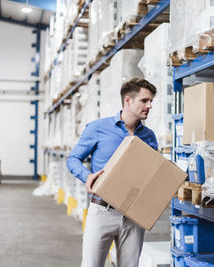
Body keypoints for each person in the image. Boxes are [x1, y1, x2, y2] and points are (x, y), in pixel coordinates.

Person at [66, 78, 158, 267]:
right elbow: (72, 159)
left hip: (134, 215)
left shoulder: (149, 136)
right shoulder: (98, 128)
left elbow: (152, 174)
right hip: (103, 211)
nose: (149, 106)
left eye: (151, 101)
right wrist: (87, 176)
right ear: (128, 100)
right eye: (144, 101)